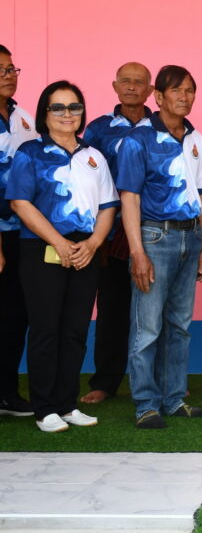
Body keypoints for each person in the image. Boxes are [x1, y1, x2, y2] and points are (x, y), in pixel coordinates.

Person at [6, 81, 118, 432]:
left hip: (85, 251)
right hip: (42, 249)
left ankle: (67, 404)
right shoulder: (30, 153)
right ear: (45, 113)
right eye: (58, 107)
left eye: (74, 107)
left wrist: (94, 243)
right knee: (46, 330)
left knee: (75, 330)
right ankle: (45, 409)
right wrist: (59, 242)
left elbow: (108, 206)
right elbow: (20, 203)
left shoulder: (93, 156)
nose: (67, 114)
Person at [117, 65, 202, 429]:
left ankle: (174, 399)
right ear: (158, 96)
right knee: (147, 328)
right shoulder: (138, 140)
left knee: (179, 325)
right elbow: (129, 198)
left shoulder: (195, 137)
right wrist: (137, 252)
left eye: (189, 90)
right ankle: (146, 403)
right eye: (176, 90)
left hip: (191, 237)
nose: (184, 97)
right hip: (154, 238)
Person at [79, 62, 153, 405]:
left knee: (155, 310)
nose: (132, 87)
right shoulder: (97, 130)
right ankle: (105, 381)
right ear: (115, 86)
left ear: (151, 90)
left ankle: (160, 381)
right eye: (126, 81)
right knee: (112, 309)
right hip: (110, 233)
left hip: (154, 230)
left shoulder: (161, 127)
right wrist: (99, 233)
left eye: (139, 82)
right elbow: (88, 181)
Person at [0, 44, 37, 419]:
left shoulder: (24, 118)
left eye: (11, 69)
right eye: (1, 70)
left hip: (22, 234)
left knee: (15, 314)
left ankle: (7, 392)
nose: (9, 75)